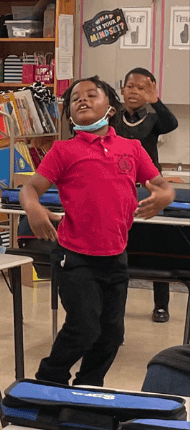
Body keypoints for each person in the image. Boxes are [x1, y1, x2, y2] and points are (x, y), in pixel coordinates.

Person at [23, 76, 175, 387]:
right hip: (75, 256)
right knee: (83, 328)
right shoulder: (63, 150)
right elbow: (29, 189)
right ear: (69, 115)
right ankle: (48, 380)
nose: (82, 100)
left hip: (115, 258)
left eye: (92, 95)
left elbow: (163, 186)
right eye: (75, 98)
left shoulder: (131, 148)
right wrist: (33, 208)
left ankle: (88, 386)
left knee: (111, 336)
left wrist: (164, 196)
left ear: (111, 107)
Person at [112, 67, 181, 323]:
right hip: (119, 187)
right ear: (122, 89)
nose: (134, 92)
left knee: (157, 243)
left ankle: (161, 304)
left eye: (142, 88)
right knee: (123, 246)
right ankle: (117, 304)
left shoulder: (153, 117)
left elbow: (171, 124)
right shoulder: (112, 116)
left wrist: (156, 101)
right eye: (131, 86)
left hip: (151, 188)